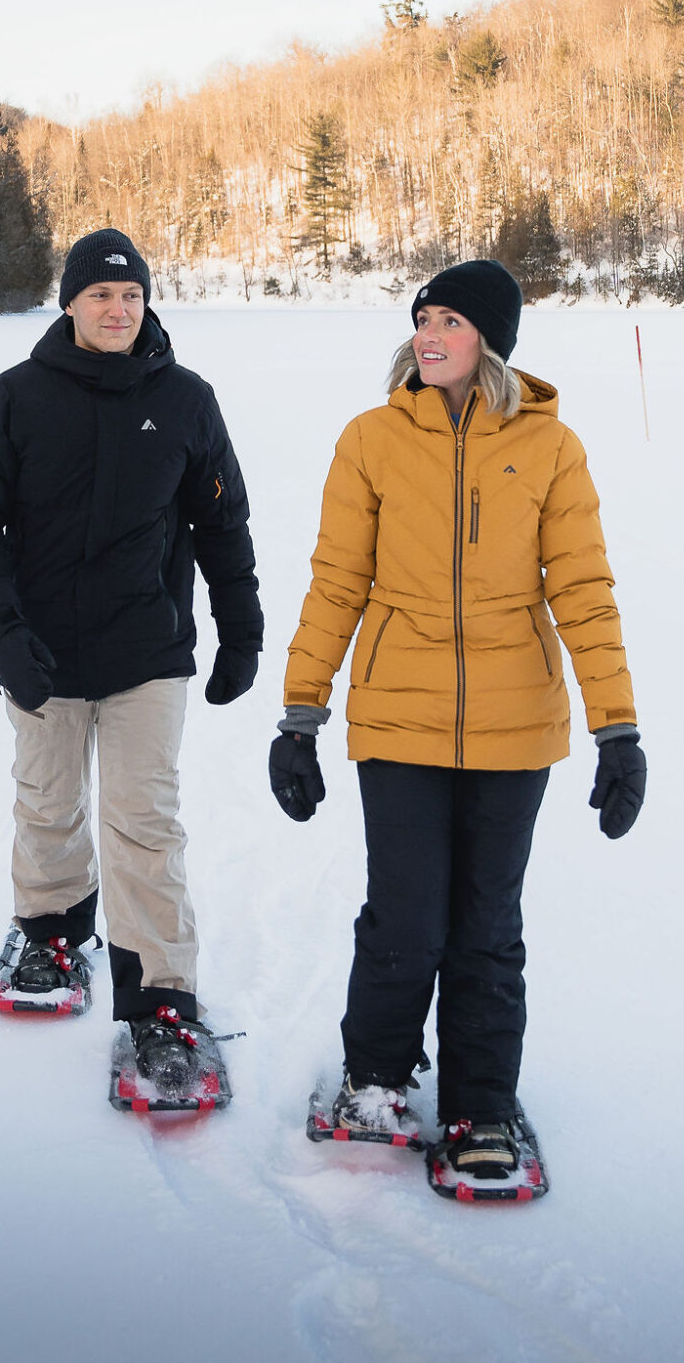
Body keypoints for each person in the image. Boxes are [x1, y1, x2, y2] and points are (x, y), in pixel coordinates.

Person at [269, 259, 646, 1178]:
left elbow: (585, 594)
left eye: (449, 322)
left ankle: (482, 1106)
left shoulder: (552, 449)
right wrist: (300, 714)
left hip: (516, 723)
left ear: (492, 341)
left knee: (486, 922)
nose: (427, 337)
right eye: (422, 320)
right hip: (398, 715)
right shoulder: (371, 439)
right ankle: (376, 1077)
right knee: (404, 915)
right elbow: (337, 583)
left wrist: (618, 732)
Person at [0, 227, 262, 1093]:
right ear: (71, 304)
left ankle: (162, 999)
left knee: (141, 820)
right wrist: (5, 637)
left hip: (146, 651)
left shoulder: (187, 400)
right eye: (100, 296)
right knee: (46, 801)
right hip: (39, 648)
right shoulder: (13, 399)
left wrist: (243, 631)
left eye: (131, 296)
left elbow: (221, 526)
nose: (118, 310)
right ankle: (50, 936)